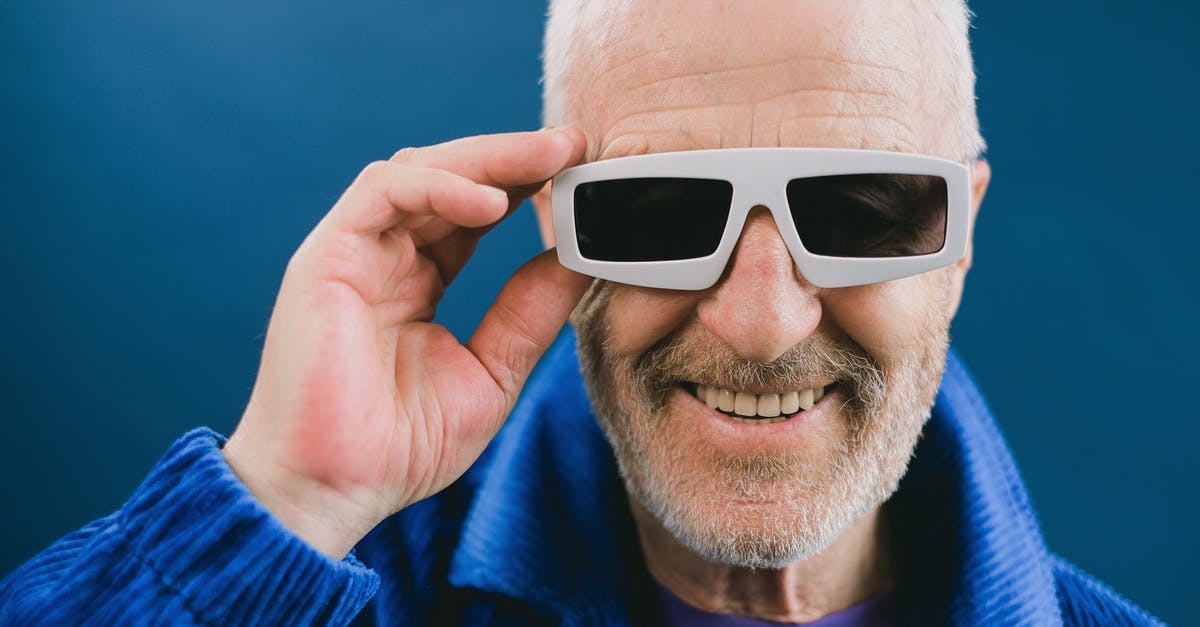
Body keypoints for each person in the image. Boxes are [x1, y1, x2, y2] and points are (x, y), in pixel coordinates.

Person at [0, 1, 1163, 625]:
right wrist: (287, 500)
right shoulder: (337, 590)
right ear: (555, 224)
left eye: (864, 209)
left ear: (959, 241)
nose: (762, 323)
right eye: (659, 211)